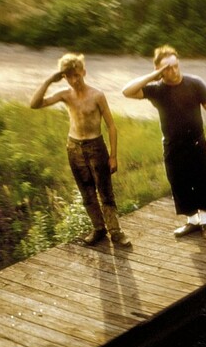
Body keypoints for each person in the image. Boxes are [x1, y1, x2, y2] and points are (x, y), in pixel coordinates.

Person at [30, 53, 131, 247]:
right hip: (74, 147)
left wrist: (113, 155)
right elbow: (34, 104)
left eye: (77, 75)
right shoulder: (64, 95)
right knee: (87, 192)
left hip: (96, 146)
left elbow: (111, 126)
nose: (74, 80)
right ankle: (98, 229)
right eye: (69, 76)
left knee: (105, 192)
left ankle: (116, 232)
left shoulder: (97, 95)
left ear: (83, 72)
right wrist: (49, 80)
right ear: (64, 77)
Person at [122, 45, 206, 239]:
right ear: (159, 70)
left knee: (203, 181)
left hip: (197, 143)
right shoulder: (157, 90)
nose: (173, 70)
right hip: (172, 146)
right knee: (179, 183)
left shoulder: (195, 83)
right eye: (167, 68)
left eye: (175, 65)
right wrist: (153, 76)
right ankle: (192, 222)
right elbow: (127, 91)